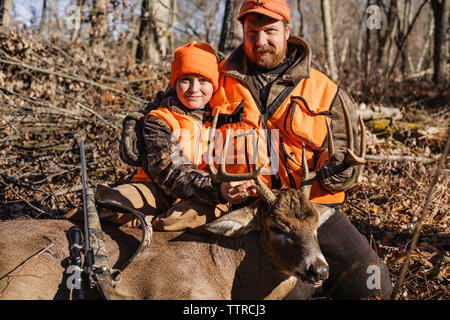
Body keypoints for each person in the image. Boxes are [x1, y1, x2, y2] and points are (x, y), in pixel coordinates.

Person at [118, 0, 393, 300]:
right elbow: (173, 101)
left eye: (270, 31)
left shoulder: (325, 92)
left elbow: (347, 163)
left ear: (287, 30)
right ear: (242, 31)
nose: (261, 41)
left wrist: (332, 174)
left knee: (374, 286)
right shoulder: (217, 80)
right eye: (252, 32)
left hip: (312, 209)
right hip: (248, 209)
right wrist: (137, 123)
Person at [94, 41, 231, 231]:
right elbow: (168, 168)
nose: (194, 88)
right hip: (156, 189)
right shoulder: (159, 119)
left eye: (203, 80)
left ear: (214, 84)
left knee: (187, 217)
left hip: (203, 196)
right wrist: (216, 189)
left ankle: (153, 228)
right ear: (174, 83)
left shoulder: (223, 121)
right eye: (185, 79)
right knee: (111, 203)